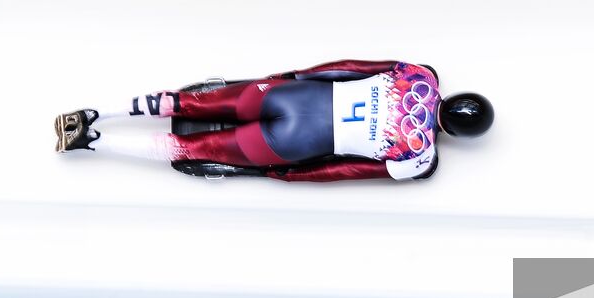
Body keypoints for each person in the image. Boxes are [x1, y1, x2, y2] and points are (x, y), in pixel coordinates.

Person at [54, 59, 492, 181]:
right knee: (193, 150)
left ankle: (99, 112)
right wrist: (293, 175)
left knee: (190, 103)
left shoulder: (418, 74)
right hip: (291, 144)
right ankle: (93, 144)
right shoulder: (420, 158)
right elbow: (348, 170)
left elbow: (347, 67)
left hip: (290, 94)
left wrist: (294, 77)